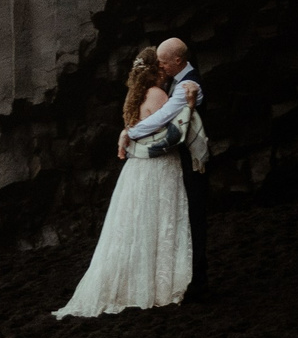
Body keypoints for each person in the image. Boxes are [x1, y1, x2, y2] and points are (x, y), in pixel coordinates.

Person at [52, 46, 194, 317]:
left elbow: (137, 129)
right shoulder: (157, 94)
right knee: (158, 221)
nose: (165, 72)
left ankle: (131, 283)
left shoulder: (134, 96)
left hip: (135, 169)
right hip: (158, 167)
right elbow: (174, 132)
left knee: (134, 226)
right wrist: (188, 105)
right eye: (161, 67)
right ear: (155, 70)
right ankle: (158, 286)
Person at [120, 37, 210, 301]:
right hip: (176, 163)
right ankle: (189, 280)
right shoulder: (171, 84)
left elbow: (163, 117)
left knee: (192, 221)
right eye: (158, 63)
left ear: (177, 60)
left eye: (163, 62)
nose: (160, 67)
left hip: (189, 164)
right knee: (180, 220)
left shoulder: (188, 85)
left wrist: (129, 133)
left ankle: (196, 281)